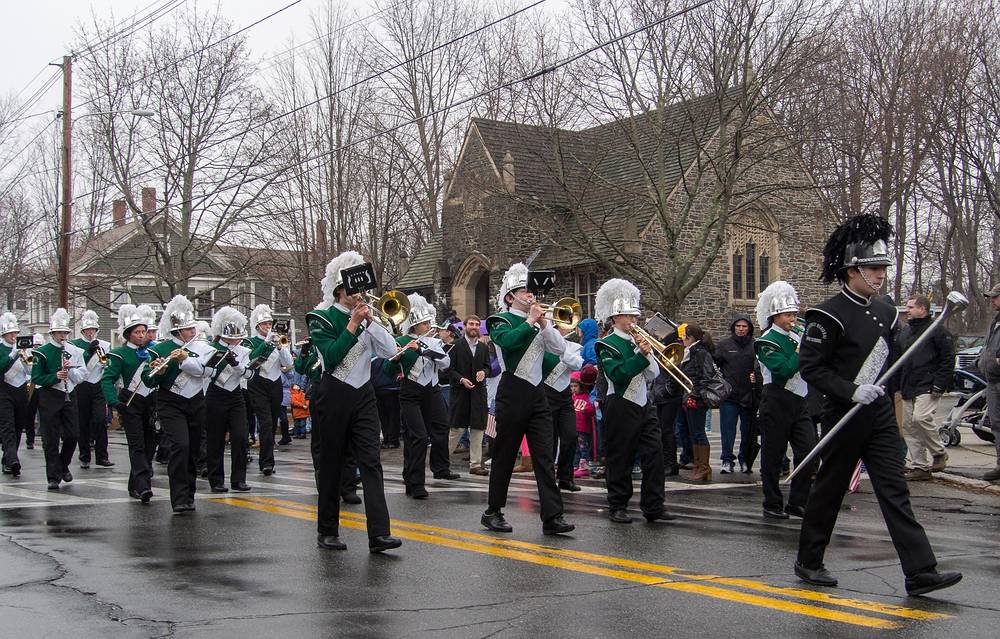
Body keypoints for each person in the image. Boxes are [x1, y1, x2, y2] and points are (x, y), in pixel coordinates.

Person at [795, 213, 962, 596]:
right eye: (872, 268)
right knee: (831, 489)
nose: (881, 275)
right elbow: (811, 369)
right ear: (851, 270)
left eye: (883, 268)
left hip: (880, 413)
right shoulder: (826, 315)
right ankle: (809, 560)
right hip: (845, 413)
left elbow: (892, 358)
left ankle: (920, 572)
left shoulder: (887, 311)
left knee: (894, 489)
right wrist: (851, 390)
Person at [307, 250, 401, 553]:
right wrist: (352, 324)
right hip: (333, 395)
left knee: (371, 462)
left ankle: (379, 534)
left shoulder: (366, 318)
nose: (360, 294)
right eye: (354, 289)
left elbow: (391, 352)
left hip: (363, 395)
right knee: (332, 464)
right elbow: (332, 358)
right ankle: (327, 530)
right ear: (339, 290)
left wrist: (372, 323)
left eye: (362, 289)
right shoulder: (320, 317)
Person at [481, 262, 574, 536]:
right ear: (511, 297)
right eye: (525, 291)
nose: (531, 295)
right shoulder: (499, 320)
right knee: (505, 455)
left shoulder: (539, 322)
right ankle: (493, 511)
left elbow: (560, 349)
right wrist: (531, 321)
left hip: (537, 393)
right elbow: (508, 343)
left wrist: (544, 324)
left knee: (544, 456)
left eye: (532, 291)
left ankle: (552, 516)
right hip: (512, 391)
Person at [595, 278, 674, 523]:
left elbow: (654, 374)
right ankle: (617, 504)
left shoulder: (640, 341)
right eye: (629, 316)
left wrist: (647, 352)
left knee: (654, 454)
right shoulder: (606, 344)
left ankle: (654, 505)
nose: (634, 321)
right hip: (619, 403)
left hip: (643, 403)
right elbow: (618, 375)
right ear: (615, 318)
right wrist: (640, 354)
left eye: (636, 317)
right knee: (621, 456)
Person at [754, 281, 817, 520]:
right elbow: (783, 369)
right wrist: (802, 349)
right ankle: (772, 501)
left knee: (809, 452)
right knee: (773, 455)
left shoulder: (795, 337)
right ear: (775, 316)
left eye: (794, 314)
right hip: (776, 399)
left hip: (800, 400)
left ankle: (798, 502)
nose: (794, 318)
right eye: (789, 314)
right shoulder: (765, 341)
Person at [141, 295, 210, 513]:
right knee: (181, 445)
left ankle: (189, 493)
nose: (193, 332)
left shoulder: (203, 348)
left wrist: (184, 360)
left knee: (193, 448)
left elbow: (206, 371)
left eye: (193, 328)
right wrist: (159, 370)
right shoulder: (159, 350)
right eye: (189, 329)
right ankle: (179, 497)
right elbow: (148, 379)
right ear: (177, 331)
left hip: (197, 401)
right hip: (171, 403)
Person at [385, 293, 453, 498]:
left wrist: (423, 350)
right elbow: (389, 371)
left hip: (431, 390)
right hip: (410, 392)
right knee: (418, 437)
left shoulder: (433, 342)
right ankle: (415, 483)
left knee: (441, 427)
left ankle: (441, 467)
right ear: (415, 326)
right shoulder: (402, 340)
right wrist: (399, 357)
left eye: (429, 323)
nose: (428, 326)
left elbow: (446, 363)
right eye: (424, 324)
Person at [101, 305, 156, 502]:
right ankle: (143, 486)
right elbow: (107, 379)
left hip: (150, 403)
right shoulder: (119, 354)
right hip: (130, 402)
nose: (141, 335)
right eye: (137, 332)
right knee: (137, 445)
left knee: (150, 445)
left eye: (143, 331)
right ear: (128, 334)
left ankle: (134, 484)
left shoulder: (153, 352)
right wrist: (114, 402)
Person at [898, 294, 954, 480]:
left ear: (923, 309)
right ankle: (920, 466)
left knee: (921, 418)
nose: (908, 310)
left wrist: (940, 383)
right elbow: (898, 359)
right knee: (910, 426)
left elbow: (948, 358)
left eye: (912, 307)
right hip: (908, 384)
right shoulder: (905, 332)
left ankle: (939, 452)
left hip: (928, 384)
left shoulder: (937, 331)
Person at [31, 308, 87, 490]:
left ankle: (63, 465)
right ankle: (53, 476)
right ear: (52, 333)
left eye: (65, 332)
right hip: (49, 396)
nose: (62, 336)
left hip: (69, 394)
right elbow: (36, 378)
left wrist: (70, 371)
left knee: (73, 434)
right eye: (59, 333)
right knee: (51, 438)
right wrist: (55, 376)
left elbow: (82, 376)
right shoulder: (43, 352)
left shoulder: (75, 351)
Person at [203, 306, 253, 494]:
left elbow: (249, 374)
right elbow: (205, 373)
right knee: (215, 439)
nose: (236, 339)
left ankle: (238, 479)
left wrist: (237, 365)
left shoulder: (244, 350)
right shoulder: (210, 349)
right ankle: (216, 479)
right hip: (215, 395)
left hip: (235, 395)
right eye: (232, 336)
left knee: (240, 436)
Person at [244, 305, 293, 476]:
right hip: (258, 383)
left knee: (272, 424)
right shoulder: (251, 341)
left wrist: (280, 347)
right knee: (265, 423)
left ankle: (268, 459)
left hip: (275, 384)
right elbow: (251, 359)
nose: (268, 327)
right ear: (258, 326)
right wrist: (266, 343)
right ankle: (266, 462)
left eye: (269, 324)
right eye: (264, 324)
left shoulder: (277, 340)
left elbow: (288, 363)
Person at [448, 315, 491, 475]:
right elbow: (449, 369)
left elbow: (489, 367)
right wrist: (461, 379)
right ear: (465, 326)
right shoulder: (456, 346)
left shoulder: (483, 347)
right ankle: (442, 460)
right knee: (457, 429)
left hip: (478, 393)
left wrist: (483, 372)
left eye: (476, 324)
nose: (474, 327)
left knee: (478, 429)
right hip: (460, 393)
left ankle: (475, 464)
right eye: (471, 324)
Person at [70, 309, 114, 469]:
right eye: (88, 330)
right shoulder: (75, 345)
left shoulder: (105, 345)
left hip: (98, 384)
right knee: (83, 421)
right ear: (83, 331)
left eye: (93, 330)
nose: (90, 333)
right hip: (82, 385)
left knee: (100, 420)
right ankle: (84, 456)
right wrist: (88, 353)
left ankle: (102, 456)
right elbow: (76, 365)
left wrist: (105, 364)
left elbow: (108, 364)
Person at [543, 324, 584, 491]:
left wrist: (561, 349)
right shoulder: (542, 345)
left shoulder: (573, 347)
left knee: (570, 436)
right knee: (549, 441)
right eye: (558, 327)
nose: (563, 329)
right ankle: (548, 477)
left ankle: (566, 477)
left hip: (565, 396)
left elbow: (577, 365)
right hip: (545, 395)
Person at [714, 315, 757, 474]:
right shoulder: (724, 345)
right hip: (729, 396)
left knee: (748, 432)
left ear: (749, 328)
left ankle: (745, 459)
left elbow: (760, 366)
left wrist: (756, 377)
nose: (741, 329)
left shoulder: (755, 345)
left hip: (749, 395)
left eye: (744, 326)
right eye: (738, 326)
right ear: (733, 328)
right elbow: (714, 366)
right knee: (727, 430)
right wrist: (721, 383)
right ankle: (727, 460)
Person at [676, 324, 715, 482]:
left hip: (696, 398)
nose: (682, 339)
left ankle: (703, 467)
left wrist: (695, 394)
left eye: (684, 336)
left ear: (690, 337)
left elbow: (705, 376)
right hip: (689, 396)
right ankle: (698, 465)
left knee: (699, 433)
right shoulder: (691, 352)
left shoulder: (700, 353)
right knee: (693, 433)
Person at [0, 313, 30, 477]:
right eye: (11, 333)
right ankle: (13, 460)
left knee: (18, 426)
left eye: (15, 333)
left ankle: (8, 458)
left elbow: (31, 371)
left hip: (20, 391)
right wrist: (13, 355)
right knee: (8, 427)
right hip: (3, 391)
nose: (14, 336)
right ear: (4, 334)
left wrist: (26, 358)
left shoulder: (23, 348)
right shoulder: (2, 348)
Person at [979, 283, 1000, 482]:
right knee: (996, 424)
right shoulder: (995, 321)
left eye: (995, 297)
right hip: (992, 380)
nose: (992, 300)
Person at [571, 366, 598, 477]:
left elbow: (591, 410)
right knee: (576, 448)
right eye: (571, 386)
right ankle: (575, 465)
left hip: (583, 428)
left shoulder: (586, 397)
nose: (573, 389)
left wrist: (586, 410)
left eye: (575, 386)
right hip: (574, 427)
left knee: (583, 447)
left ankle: (584, 466)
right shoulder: (572, 398)